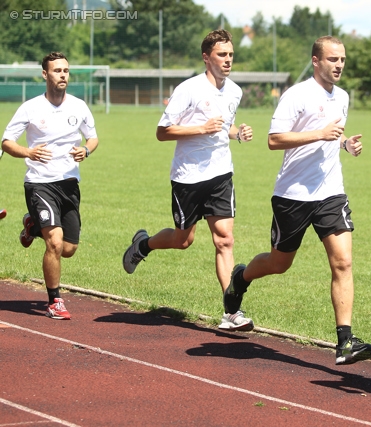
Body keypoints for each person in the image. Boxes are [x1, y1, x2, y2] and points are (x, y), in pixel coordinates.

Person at [224, 35, 371, 365]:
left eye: (343, 60)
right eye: (333, 59)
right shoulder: (297, 95)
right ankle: (241, 277)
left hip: (330, 192)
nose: (339, 65)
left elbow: (332, 138)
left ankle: (345, 341)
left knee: (343, 262)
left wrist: (345, 144)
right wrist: (319, 133)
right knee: (280, 263)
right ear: (316, 61)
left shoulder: (343, 97)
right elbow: (274, 139)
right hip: (293, 195)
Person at [121, 29, 255, 332]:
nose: (228, 60)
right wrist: (201, 129)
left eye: (231, 54)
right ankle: (143, 245)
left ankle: (231, 311)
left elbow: (225, 128)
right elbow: (163, 132)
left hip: (221, 174)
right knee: (184, 240)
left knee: (225, 239)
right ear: (206, 58)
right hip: (188, 177)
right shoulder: (189, 89)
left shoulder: (234, 91)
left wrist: (238, 134)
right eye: (222, 55)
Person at [1, 52, 99, 320]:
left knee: (68, 249)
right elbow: (6, 142)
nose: (63, 75)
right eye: (57, 71)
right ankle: (55, 300)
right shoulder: (30, 108)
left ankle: (32, 225)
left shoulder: (79, 106)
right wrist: (28, 152)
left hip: (68, 184)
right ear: (45, 74)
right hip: (39, 183)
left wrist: (86, 151)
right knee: (54, 243)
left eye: (66, 70)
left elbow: (92, 138)